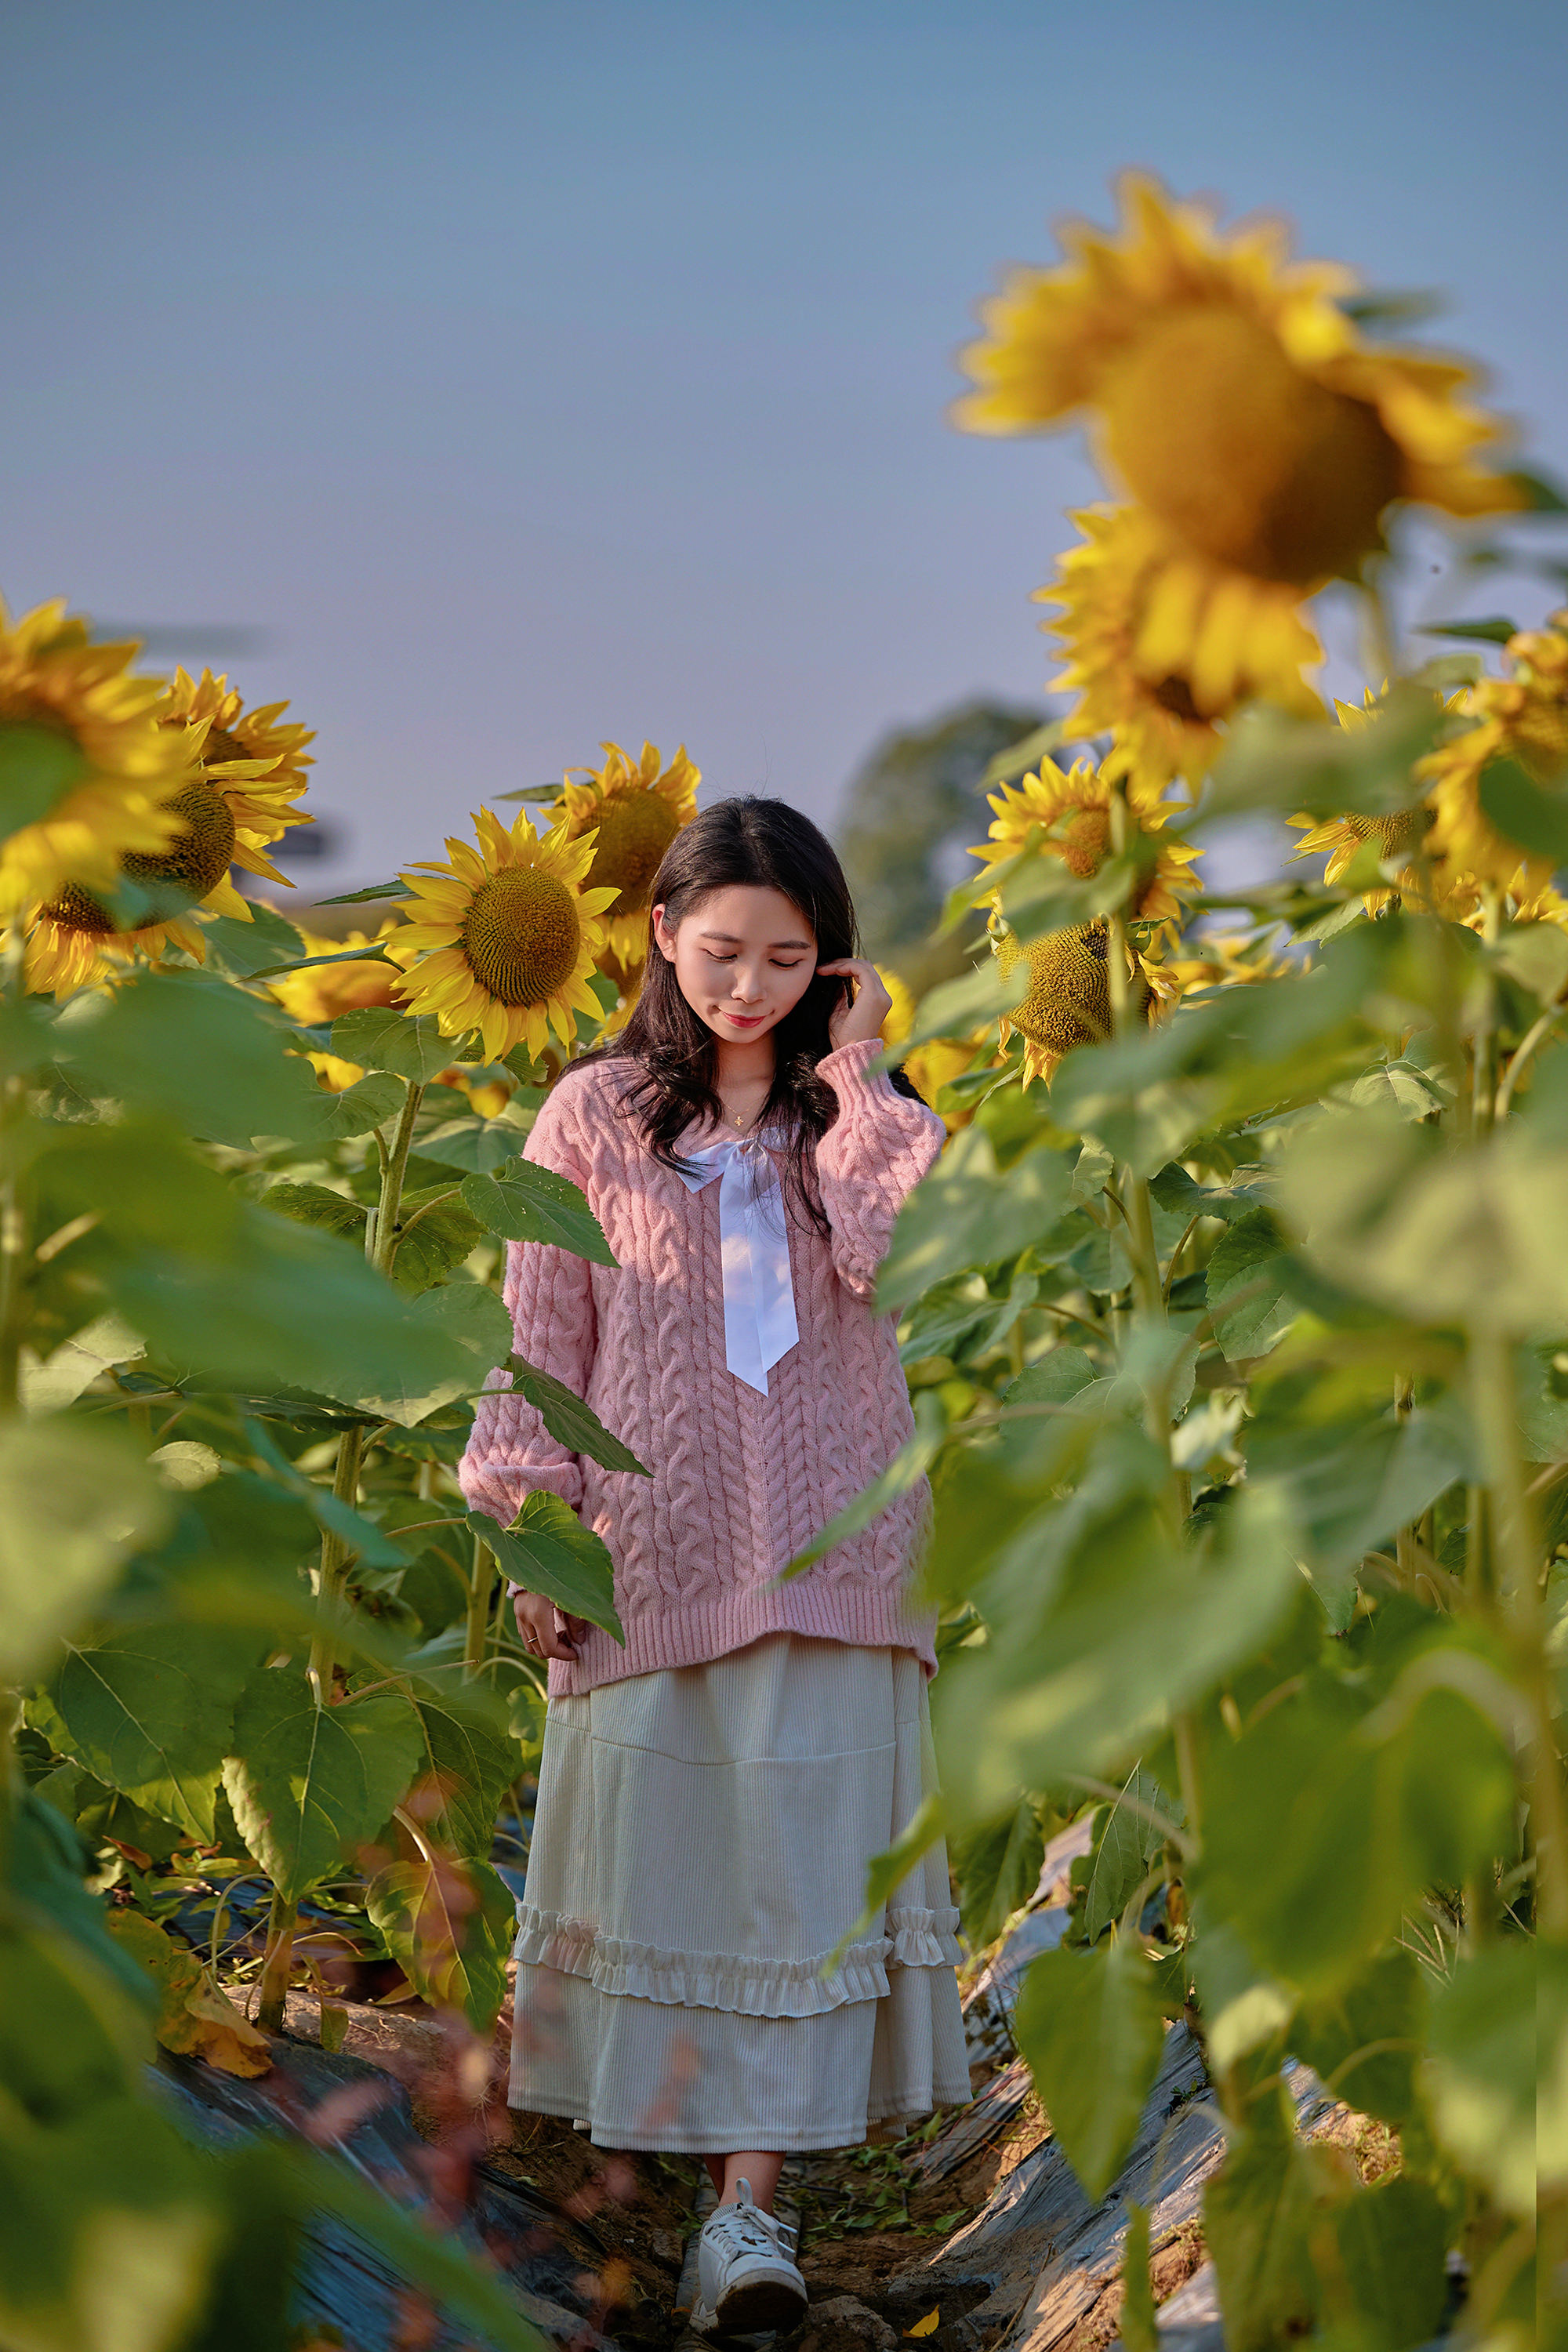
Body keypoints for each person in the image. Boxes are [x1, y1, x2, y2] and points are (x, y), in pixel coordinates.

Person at [460, 795, 971, 2337]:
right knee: (669, 1885)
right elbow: (538, 1348)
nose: (746, 985)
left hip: (836, 1558)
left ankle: (752, 2220)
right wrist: (527, 1527)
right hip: (647, 1561)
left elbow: (917, 1256)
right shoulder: (594, 1115)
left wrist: (860, 1062)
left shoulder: (853, 1116)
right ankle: (666, 2210)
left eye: (788, 958)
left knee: (805, 1893)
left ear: (831, 963)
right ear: (663, 935)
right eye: (722, 950)